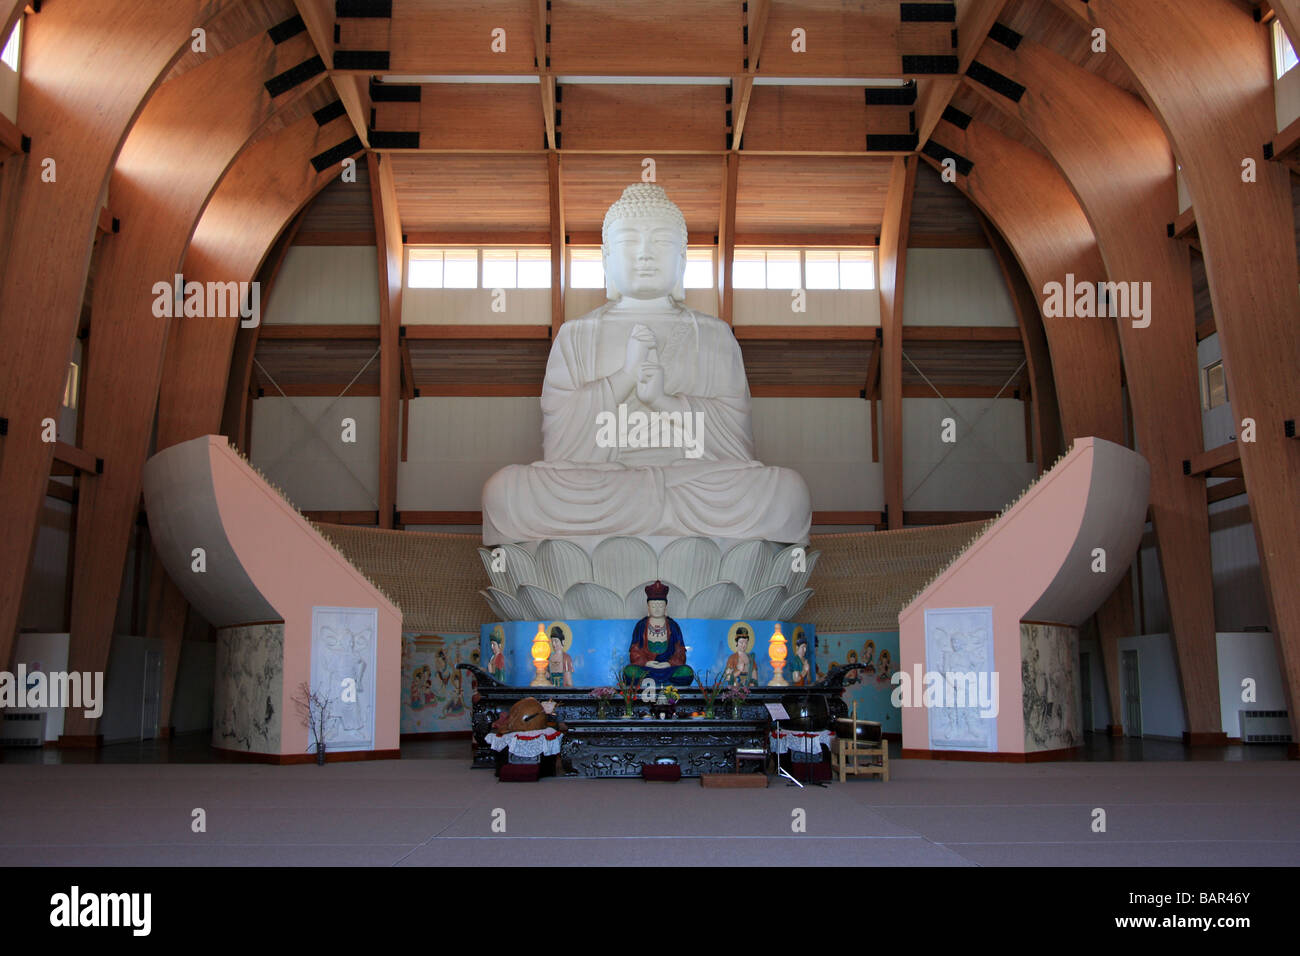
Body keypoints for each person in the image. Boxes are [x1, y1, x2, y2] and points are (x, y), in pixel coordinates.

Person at [482, 183, 811, 550]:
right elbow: (562, 449)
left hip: (694, 484)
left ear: (683, 259)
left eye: (660, 242)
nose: (644, 254)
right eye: (629, 242)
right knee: (506, 491)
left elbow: (734, 447)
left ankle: (597, 548)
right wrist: (623, 378)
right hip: (601, 486)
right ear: (606, 258)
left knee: (785, 492)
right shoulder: (576, 335)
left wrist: (663, 400)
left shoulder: (714, 335)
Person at [623, 580, 694, 687]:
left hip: (668, 669)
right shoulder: (641, 626)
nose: (657, 609)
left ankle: (666, 684)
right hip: (646, 670)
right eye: (653, 605)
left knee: (686, 672)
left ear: (665, 607)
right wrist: (646, 662)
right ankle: (655, 683)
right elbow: (634, 650)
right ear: (648, 607)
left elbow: (680, 651)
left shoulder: (673, 626)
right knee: (628, 671)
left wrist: (669, 663)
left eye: (660, 605)